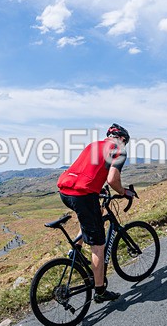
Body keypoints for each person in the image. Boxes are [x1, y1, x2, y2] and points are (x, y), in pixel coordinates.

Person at [57, 123, 136, 303]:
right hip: (82, 196)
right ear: (122, 138)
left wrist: (98, 189)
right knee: (98, 245)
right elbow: (112, 179)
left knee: (93, 213)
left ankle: (75, 250)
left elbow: (87, 171)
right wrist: (123, 192)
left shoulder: (93, 146)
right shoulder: (119, 149)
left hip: (65, 192)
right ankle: (100, 291)